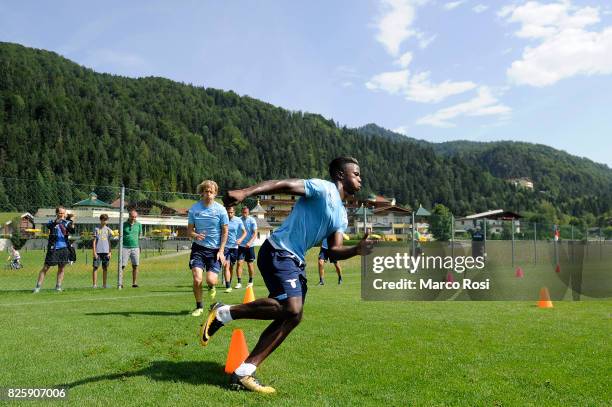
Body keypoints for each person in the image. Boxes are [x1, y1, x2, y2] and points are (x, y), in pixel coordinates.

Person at [201, 157, 374, 393]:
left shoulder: (342, 216)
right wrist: (246, 191)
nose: (360, 178)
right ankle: (223, 312)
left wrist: (356, 250)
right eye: (356, 173)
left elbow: (333, 251)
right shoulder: (323, 188)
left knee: (294, 316)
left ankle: (244, 373)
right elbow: (282, 184)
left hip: (295, 260)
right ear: (341, 175)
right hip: (278, 250)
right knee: (292, 308)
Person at [187, 180, 228, 317]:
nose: (208, 194)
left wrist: (221, 250)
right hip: (198, 248)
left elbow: (225, 231)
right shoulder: (194, 209)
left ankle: (212, 286)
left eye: (211, 192)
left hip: (215, 250)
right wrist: (195, 235)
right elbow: (189, 231)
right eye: (206, 191)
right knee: (197, 279)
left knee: (210, 280)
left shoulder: (221, 210)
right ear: (202, 193)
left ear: (215, 193)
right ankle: (199, 307)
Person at [33, 206, 75, 292]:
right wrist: (56, 222)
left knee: (61, 268)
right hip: (54, 248)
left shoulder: (67, 223)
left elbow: (72, 231)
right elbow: (49, 226)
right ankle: (37, 287)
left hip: (64, 248)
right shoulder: (51, 221)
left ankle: (58, 287)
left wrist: (72, 221)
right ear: (56, 213)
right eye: (60, 213)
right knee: (45, 267)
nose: (61, 215)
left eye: (63, 213)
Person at [223, 206, 247, 293]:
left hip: (234, 247)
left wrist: (240, 239)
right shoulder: (223, 219)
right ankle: (228, 286)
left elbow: (245, 232)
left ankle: (229, 281)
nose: (229, 214)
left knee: (231, 266)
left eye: (231, 212)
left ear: (234, 212)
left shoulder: (238, 220)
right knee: (226, 265)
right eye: (228, 212)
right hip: (225, 246)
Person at [235, 206, 258, 289]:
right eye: (243, 212)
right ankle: (239, 282)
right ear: (241, 212)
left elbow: (255, 233)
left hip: (249, 246)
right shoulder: (238, 219)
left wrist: (250, 242)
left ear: (248, 213)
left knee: (250, 264)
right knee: (239, 263)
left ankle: (250, 281)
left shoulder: (252, 220)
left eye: (246, 212)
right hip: (240, 245)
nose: (244, 214)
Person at [121, 209, 142, 288]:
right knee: (122, 266)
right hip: (125, 248)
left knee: (135, 265)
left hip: (135, 248)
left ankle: (134, 283)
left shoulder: (139, 225)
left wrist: (139, 247)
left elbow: (139, 236)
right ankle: (120, 283)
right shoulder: (124, 224)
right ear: (129, 216)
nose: (134, 218)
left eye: (135, 217)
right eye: (132, 216)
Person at [92, 214, 112, 288]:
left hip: (106, 252)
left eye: (106, 220)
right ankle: (94, 285)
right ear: (101, 220)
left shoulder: (108, 230)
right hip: (98, 252)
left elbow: (109, 241)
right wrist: (94, 252)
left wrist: (110, 252)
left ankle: (104, 284)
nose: (105, 221)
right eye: (103, 220)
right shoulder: (96, 229)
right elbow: (94, 241)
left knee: (105, 268)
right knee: (95, 267)